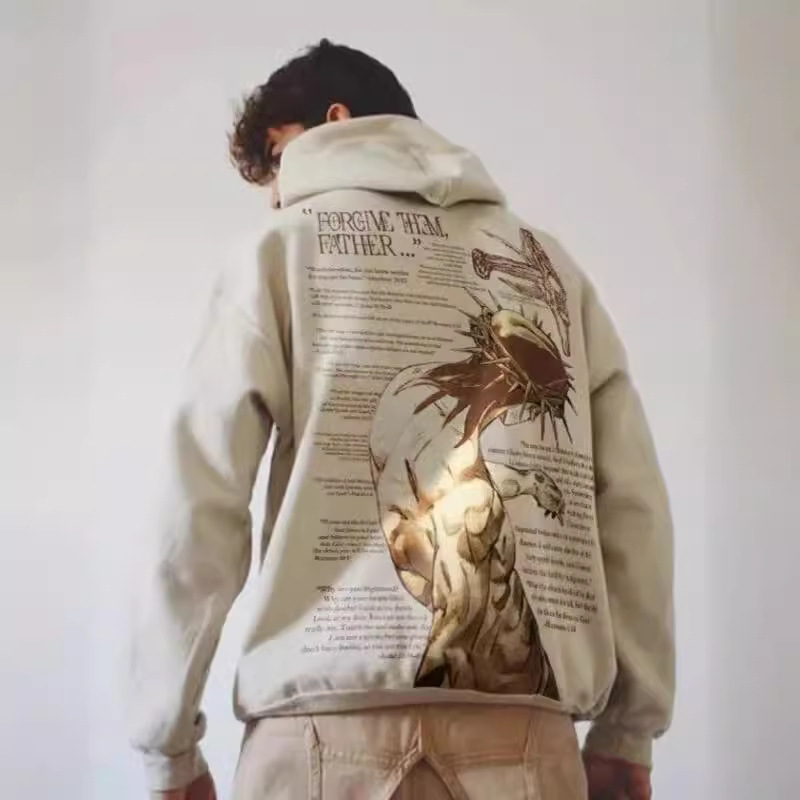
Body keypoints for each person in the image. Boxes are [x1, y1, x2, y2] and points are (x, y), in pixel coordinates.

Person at [129, 39, 674, 800]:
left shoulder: (278, 251)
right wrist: (628, 731)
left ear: (335, 120)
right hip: (527, 740)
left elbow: (200, 501)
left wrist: (168, 747)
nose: (277, 197)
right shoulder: (552, 267)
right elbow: (632, 505)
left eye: (278, 161)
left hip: (321, 740)